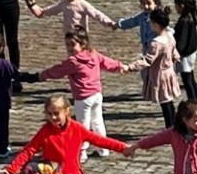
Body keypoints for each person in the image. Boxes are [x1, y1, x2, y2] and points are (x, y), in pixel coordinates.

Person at [20, 28, 128, 163]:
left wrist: (40, 76)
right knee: (97, 121)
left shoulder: (73, 61)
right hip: (97, 94)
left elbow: (57, 71)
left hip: (83, 98)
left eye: (72, 44)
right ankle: (103, 149)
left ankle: (81, 153)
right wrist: (119, 66)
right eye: (67, 44)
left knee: (82, 126)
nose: (69, 48)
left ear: (82, 44)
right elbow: (107, 62)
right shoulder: (93, 54)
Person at [126, 8, 182, 126]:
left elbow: (147, 60)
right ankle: (172, 126)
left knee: (165, 102)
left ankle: (170, 128)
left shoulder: (156, 43)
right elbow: (174, 53)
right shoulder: (170, 37)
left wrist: (131, 67)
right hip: (169, 72)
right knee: (169, 102)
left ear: (156, 25)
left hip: (160, 75)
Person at [117, 0, 167, 87]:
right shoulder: (142, 16)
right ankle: (149, 88)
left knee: (157, 70)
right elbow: (132, 21)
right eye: (143, 3)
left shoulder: (159, 17)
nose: (146, 6)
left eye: (149, 3)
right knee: (145, 72)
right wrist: (118, 24)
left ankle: (159, 88)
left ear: (156, 3)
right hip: (146, 48)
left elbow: (168, 29)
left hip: (157, 48)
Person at [172, 0, 197, 100]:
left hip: (184, 55)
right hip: (191, 53)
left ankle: (192, 101)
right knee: (191, 79)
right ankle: (195, 100)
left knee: (187, 80)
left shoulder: (184, 21)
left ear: (182, 6)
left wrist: (176, 53)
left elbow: (182, 41)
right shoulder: (191, 17)